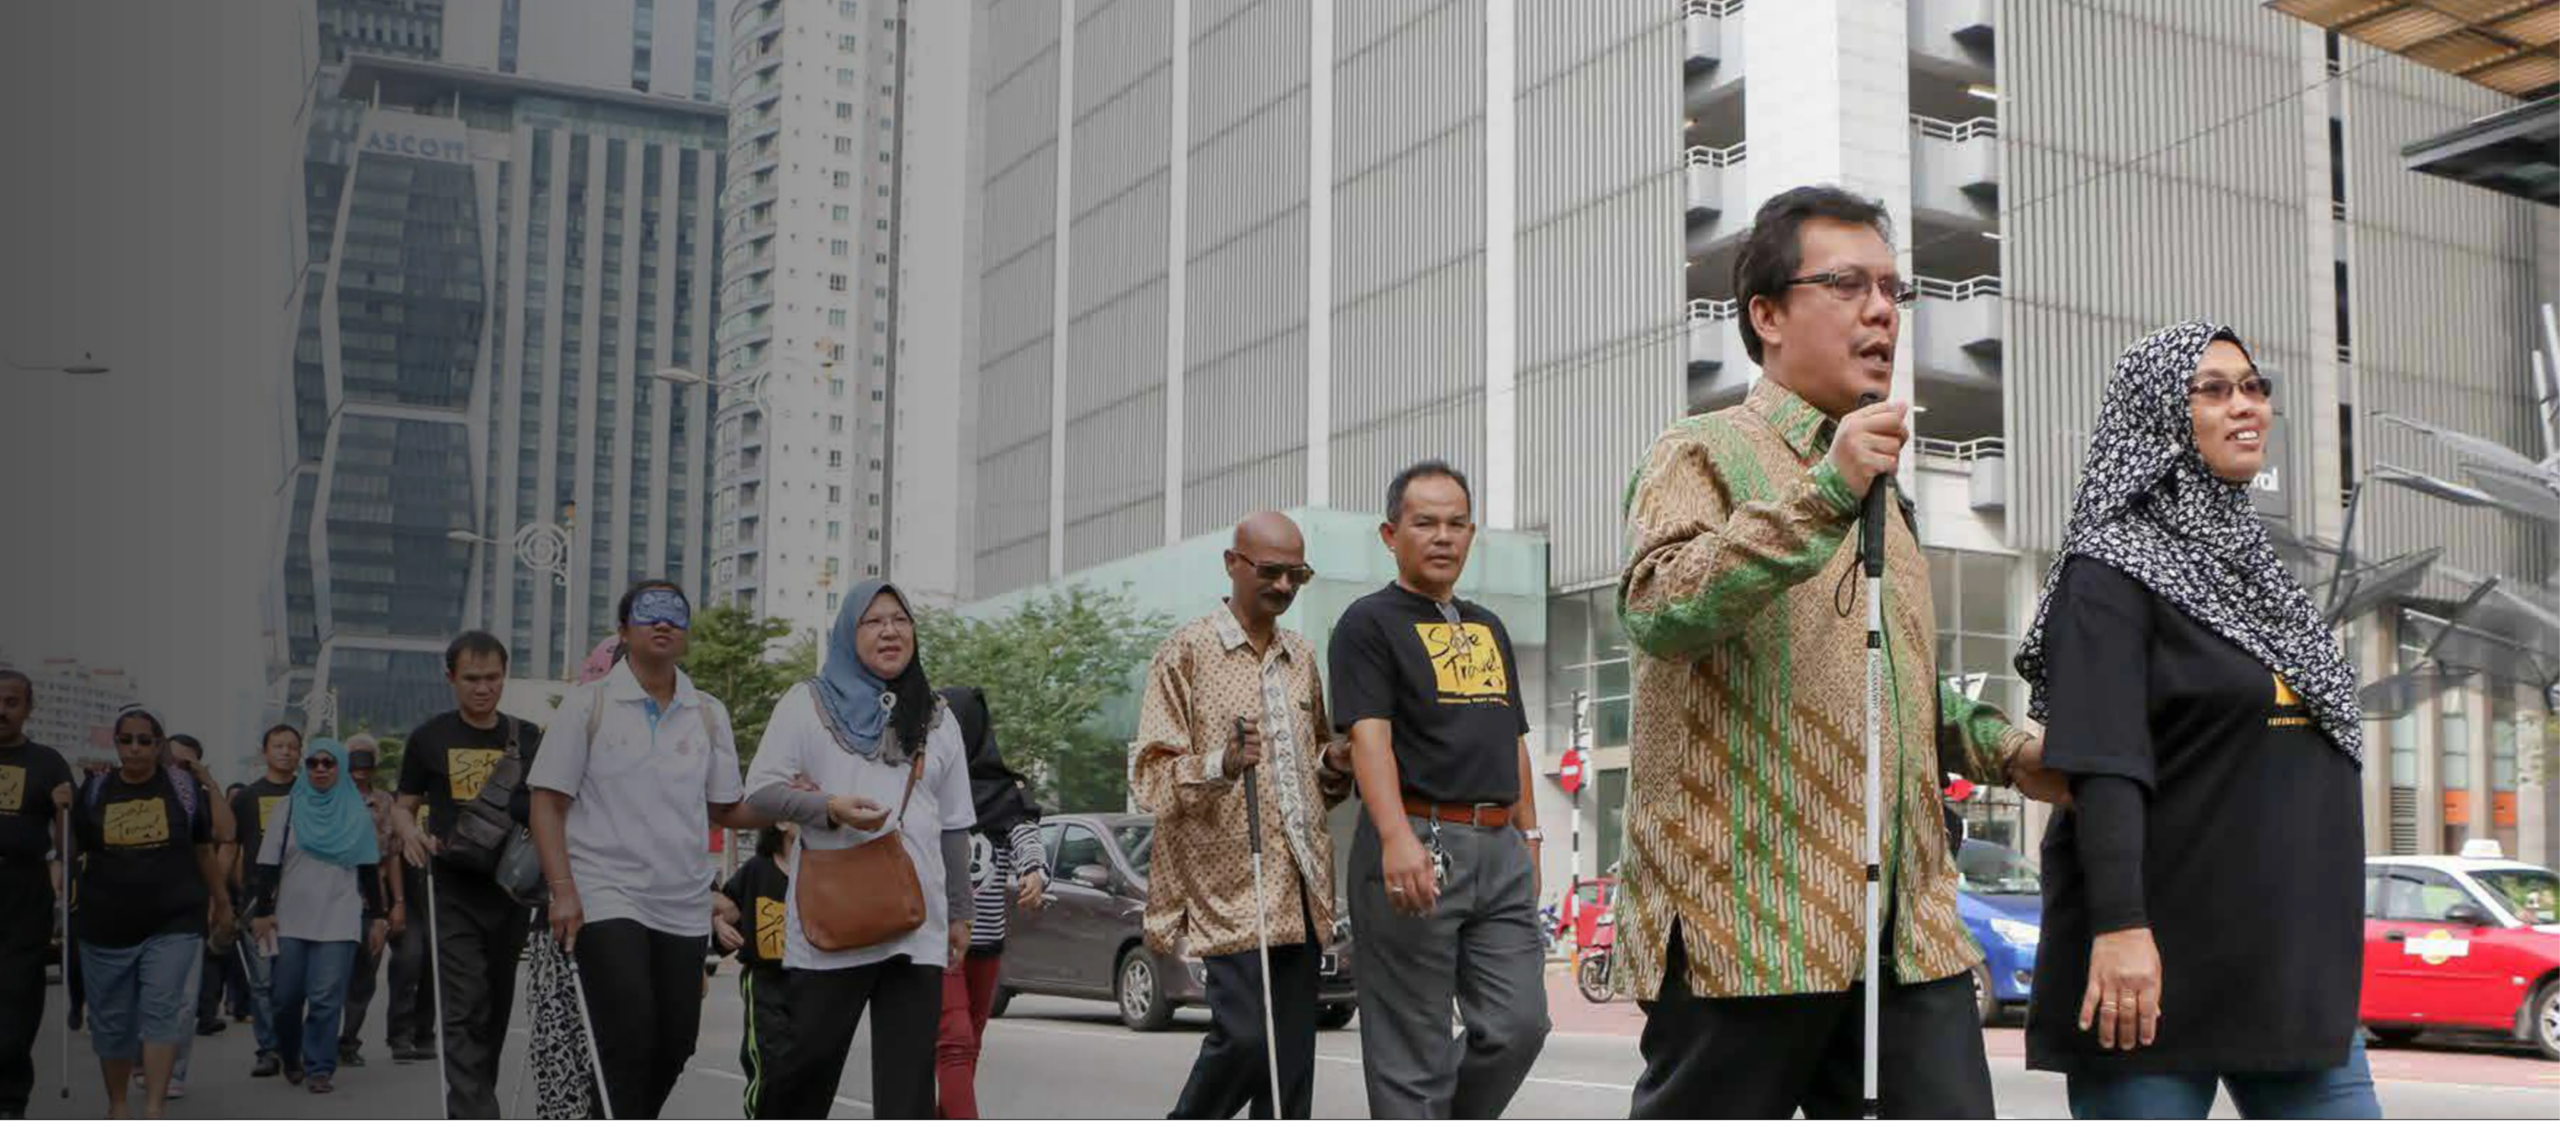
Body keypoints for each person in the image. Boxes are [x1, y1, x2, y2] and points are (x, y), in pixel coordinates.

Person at [1614, 186, 2064, 1120]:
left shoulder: (1884, 493)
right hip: (1748, 921)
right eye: (1848, 285)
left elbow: (1898, 683)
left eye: (1894, 290)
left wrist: (2017, 754)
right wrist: (1825, 491)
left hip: (1904, 929)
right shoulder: (1700, 452)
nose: (1882, 312)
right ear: (1767, 315)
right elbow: (1657, 606)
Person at [2012, 323, 2378, 1120]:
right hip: (2149, 972)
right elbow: (2105, 762)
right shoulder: (2110, 569)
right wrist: (2120, 927)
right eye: (2212, 389)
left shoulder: (2258, 573)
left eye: (2253, 386)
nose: (2245, 405)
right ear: (2157, 416)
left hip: (2288, 972)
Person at [1329, 462, 1550, 1120]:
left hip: (1500, 849)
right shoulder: (1367, 624)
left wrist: (1531, 835)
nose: (1443, 536)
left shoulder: (1488, 627)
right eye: (1424, 522)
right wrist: (1394, 837)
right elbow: (1369, 739)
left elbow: (1512, 739)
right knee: (1412, 1053)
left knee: (1518, 1025)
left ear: (1472, 534)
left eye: (1456, 523)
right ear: (1390, 534)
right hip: (1417, 842)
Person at [1137, 512, 1356, 1120]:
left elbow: (1315, 770)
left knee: (1290, 1067)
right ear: (1232, 564)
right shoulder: (1185, 653)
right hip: (1227, 891)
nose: (1284, 586)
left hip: (1301, 888)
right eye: (1271, 571)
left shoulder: (1301, 657)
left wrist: (1335, 761)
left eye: (1297, 575)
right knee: (1245, 1040)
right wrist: (1223, 763)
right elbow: (1151, 778)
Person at [529, 579, 772, 1121]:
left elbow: (727, 808)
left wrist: (800, 804)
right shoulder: (588, 704)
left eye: (674, 615)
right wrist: (563, 890)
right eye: (648, 614)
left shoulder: (707, 712)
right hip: (605, 892)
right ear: (623, 630)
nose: (663, 623)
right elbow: (547, 802)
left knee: (675, 1041)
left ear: (686, 632)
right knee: (629, 1032)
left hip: (682, 902)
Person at [743, 579, 973, 1121]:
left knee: (908, 1095)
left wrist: (960, 911)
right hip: (832, 921)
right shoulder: (807, 704)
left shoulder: (938, 717)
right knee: (803, 1077)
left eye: (900, 620)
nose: (890, 631)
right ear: (849, 632)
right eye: (873, 621)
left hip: (917, 923)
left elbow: (955, 822)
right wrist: (828, 807)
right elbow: (761, 791)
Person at [389, 631, 543, 1117]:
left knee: (494, 1006)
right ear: (451, 677)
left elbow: (551, 810)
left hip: (511, 890)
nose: (483, 688)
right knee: (464, 1004)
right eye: (472, 678)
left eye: (492, 678)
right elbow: (403, 805)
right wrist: (409, 832)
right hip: (452, 888)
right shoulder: (429, 738)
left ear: (505, 676)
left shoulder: (530, 737)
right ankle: (475, 1111)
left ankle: (476, 1102)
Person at [68, 708, 230, 1121]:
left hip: (173, 921)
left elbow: (205, 849)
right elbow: (72, 850)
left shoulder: (182, 788)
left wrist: (222, 904)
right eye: (126, 740)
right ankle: (119, 1105)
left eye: (145, 740)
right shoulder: (95, 789)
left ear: (159, 745)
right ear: (115, 743)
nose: (135, 748)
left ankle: (154, 1108)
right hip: (106, 924)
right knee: (113, 1021)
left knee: (161, 1010)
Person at [247, 737, 390, 1095]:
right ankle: (290, 1055)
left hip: (339, 918)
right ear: (305, 767)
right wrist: (263, 911)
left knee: (326, 998)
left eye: (329, 763)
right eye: (313, 763)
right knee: (284, 998)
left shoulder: (356, 811)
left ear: (340, 767)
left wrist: (378, 918)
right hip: (291, 919)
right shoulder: (288, 809)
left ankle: (319, 1067)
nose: (321, 769)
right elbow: (267, 865)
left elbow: (368, 869)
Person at [933, 685, 1048, 1120]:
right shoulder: (926, 783)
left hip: (986, 941)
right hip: (938, 938)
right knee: (955, 1039)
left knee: (969, 1042)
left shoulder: (1005, 793)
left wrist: (1033, 871)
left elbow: (1026, 835)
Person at [0, 669, 74, 1122]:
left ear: (28, 708)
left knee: (18, 993)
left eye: (11, 702)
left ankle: (11, 1096)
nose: (1, 711)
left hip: (23, 889)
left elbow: (66, 843)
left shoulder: (47, 762)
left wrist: (64, 808)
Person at [159, 734, 237, 1100]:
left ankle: (172, 1070)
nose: (176, 768)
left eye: (185, 764)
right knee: (147, 995)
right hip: (138, 907)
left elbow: (227, 833)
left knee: (185, 998)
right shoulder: (141, 791)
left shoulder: (201, 796)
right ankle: (146, 1056)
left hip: (187, 907)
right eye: (170, 760)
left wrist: (208, 783)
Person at [232, 723, 303, 1079]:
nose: (285, 752)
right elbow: (233, 848)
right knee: (262, 981)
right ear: (265, 751)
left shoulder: (310, 794)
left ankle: (293, 1046)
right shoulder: (247, 798)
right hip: (259, 904)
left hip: (301, 902)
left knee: (293, 983)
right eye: (278, 745)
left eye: (292, 746)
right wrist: (232, 899)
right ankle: (268, 1049)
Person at [332, 733, 404, 1069]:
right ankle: (321, 1039)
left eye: (367, 758)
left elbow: (393, 855)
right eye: (354, 758)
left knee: (364, 975)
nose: (361, 766)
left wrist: (397, 902)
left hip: (373, 898)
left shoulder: (385, 801)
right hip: (334, 896)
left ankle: (348, 1041)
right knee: (330, 974)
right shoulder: (329, 797)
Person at [717, 824, 794, 1118]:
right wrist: (717, 923)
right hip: (766, 982)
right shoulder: (756, 870)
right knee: (767, 1064)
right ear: (781, 822)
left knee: (804, 1071)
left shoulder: (819, 868)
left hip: (812, 984)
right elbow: (724, 909)